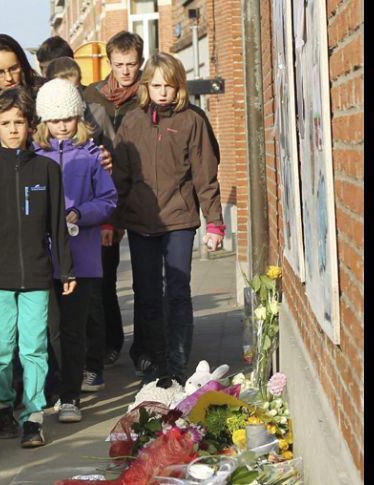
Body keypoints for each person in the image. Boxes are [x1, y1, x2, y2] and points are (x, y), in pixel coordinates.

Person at [0, 87, 75, 448]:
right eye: (5, 123)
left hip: (38, 276)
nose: (12, 129)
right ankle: (4, 409)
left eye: (19, 122)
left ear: (30, 125)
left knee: (34, 348)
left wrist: (66, 268)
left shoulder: (47, 169)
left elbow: (57, 223)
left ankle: (33, 417)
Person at [112, 52, 225, 385]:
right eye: (156, 85)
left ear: (180, 87)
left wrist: (215, 222)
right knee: (146, 293)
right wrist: (112, 221)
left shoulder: (192, 120)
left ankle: (176, 363)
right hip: (140, 222)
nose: (163, 92)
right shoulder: (132, 121)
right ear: (147, 86)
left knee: (177, 291)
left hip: (179, 220)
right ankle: (154, 360)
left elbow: (206, 175)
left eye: (169, 86)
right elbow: (120, 177)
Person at [32, 79, 117, 423]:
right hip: (44, 258)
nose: (62, 126)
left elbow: (108, 200)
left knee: (74, 328)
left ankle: (71, 397)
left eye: (68, 118)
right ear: (43, 123)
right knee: (48, 328)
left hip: (81, 257)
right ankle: (53, 388)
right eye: (54, 120)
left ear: (79, 117)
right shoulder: (34, 157)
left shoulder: (93, 155)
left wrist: (80, 213)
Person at [82, 30, 146, 381]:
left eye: (132, 65)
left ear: (140, 61)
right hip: (103, 192)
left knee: (147, 278)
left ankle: (146, 347)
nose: (125, 72)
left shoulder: (150, 94)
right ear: (109, 62)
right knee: (105, 273)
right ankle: (110, 340)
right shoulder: (92, 97)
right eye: (119, 65)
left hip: (140, 192)